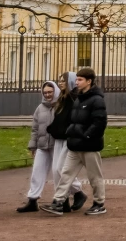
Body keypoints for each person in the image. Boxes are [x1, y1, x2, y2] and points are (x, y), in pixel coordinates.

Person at [42, 67, 106, 216]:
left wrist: (87, 136)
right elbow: (72, 119)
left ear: (89, 81)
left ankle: (99, 203)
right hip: (75, 145)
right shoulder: (78, 98)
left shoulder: (97, 100)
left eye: (80, 79)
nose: (76, 82)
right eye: (76, 79)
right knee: (65, 174)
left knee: (94, 176)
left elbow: (100, 123)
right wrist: (71, 132)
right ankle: (58, 202)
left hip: (89, 146)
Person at [16, 82, 60, 212]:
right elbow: (35, 129)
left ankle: (74, 193)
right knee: (37, 171)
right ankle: (32, 200)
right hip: (42, 145)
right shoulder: (40, 108)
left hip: (56, 144)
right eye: (45, 92)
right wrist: (33, 146)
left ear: (55, 92)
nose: (47, 95)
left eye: (50, 92)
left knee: (59, 171)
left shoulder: (61, 106)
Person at [47, 72, 85, 212]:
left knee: (61, 169)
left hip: (68, 139)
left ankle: (76, 192)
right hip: (59, 138)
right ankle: (65, 200)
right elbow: (59, 119)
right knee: (55, 170)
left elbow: (73, 119)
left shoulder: (74, 99)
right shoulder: (62, 99)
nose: (60, 83)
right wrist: (52, 129)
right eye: (59, 81)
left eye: (63, 81)